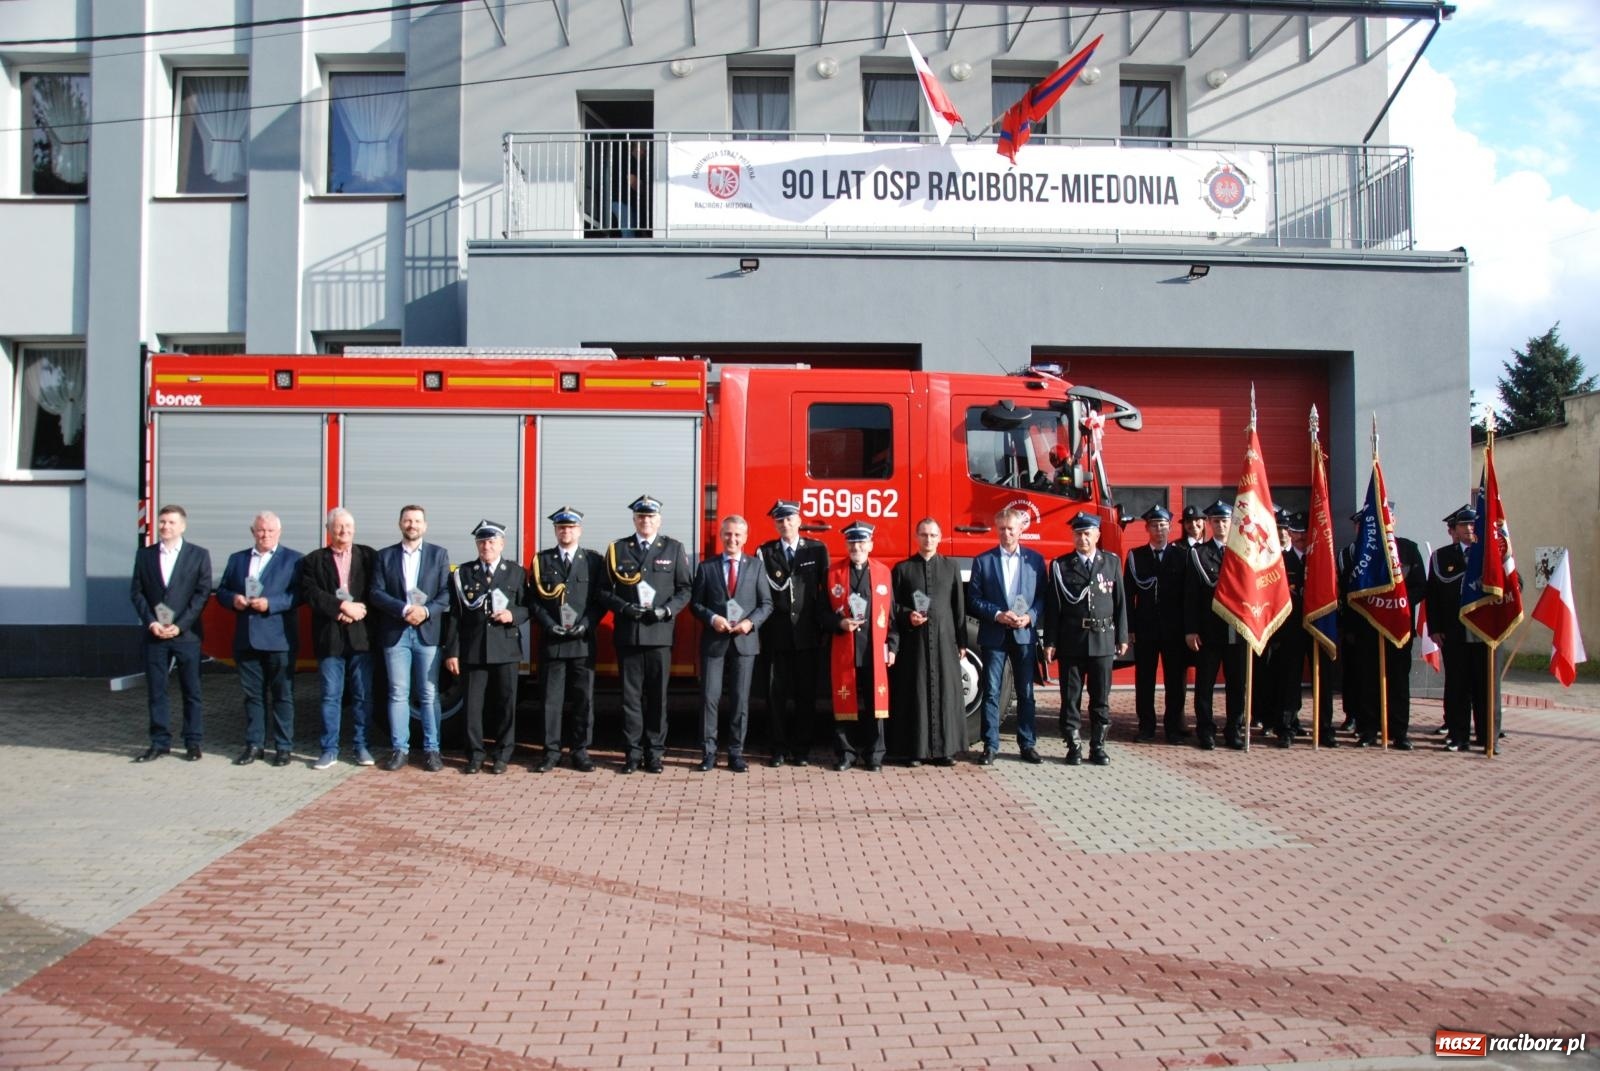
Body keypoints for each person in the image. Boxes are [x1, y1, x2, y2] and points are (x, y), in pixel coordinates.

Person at [602, 494, 693, 773]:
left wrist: (667, 611)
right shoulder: (618, 549)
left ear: (659, 520)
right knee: (630, 698)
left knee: (657, 698)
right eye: (641, 517)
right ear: (634, 520)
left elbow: (685, 589)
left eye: (651, 517)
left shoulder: (673, 549)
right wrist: (624, 608)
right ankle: (631, 753)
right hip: (629, 633)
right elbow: (604, 591)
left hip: (659, 635)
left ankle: (654, 753)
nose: (646, 521)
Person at [216, 511, 303, 767]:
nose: (265, 535)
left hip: (279, 639)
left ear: (279, 532)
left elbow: (299, 595)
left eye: (270, 531)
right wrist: (233, 600)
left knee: (282, 695)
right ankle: (254, 745)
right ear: (253, 531)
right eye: (260, 530)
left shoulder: (294, 560)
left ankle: (284, 747)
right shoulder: (237, 559)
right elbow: (222, 590)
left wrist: (271, 604)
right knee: (253, 696)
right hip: (247, 639)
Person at [370, 505, 452, 772]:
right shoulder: (385, 556)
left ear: (424, 526)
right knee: (397, 694)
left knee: (429, 694)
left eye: (417, 521)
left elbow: (445, 594)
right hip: (396, 633)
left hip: (426, 632)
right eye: (407, 520)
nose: (412, 524)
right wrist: (404, 609)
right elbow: (376, 593)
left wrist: (425, 611)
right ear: (400, 524)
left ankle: (432, 751)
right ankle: (400, 750)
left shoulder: (438, 555)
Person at [445, 520, 530, 775]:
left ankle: (503, 755)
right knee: (473, 707)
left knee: (506, 704)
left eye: (492, 541)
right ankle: (474, 755)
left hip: (505, 649)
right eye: (482, 541)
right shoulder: (463, 573)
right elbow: (454, 616)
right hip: (474, 649)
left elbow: (528, 608)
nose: (487, 546)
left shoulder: (516, 572)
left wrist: (512, 615)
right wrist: (452, 651)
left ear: (502, 544)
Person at [691, 515, 774, 772]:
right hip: (714, 641)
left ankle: (736, 753)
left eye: (738, 535)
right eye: (727, 534)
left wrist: (750, 623)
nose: (732, 539)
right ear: (721, 536)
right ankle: (709, 753)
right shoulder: (707, 567)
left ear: (745, 538)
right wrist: (712, 618)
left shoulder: (756, 567)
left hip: (744, 642)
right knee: (709, 698)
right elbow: (695, 604)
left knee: (740, 699)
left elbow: (766, 604)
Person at [129, 504, 212, 762]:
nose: (165, 526)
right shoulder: (145, 556)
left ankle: (193, 742)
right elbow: (137, 592)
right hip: (155, 635)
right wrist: (151, 622)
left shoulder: (198, 555)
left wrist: (181, 624)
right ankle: (159, 742)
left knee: (191, 690)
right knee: (157, 690)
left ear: (182, 526)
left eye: (171, 522)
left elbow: (202, 594)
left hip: (186, 635)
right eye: (162, 522)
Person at [526, 506, 606, 772]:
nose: (566, 531)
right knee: (551, 699)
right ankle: (551, 751)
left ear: (579, 530)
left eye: (570, 527)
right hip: (553, 641)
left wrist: (586, 624)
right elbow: (534, 601)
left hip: (582, 641)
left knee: (584, 699)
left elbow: (600, 599)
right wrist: (548, 625)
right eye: (561, 527)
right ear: (555, 531)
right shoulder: (542, 561)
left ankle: (580, 750)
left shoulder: (593, 561)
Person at [1045, 513, 1128, 765]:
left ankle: (1098, 746)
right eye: (1078, 533)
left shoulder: (1111, 563)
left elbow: (1120, 602)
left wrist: (1122, 635)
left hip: (1103, 640)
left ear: (1097, 535)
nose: (1083, 538)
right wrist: (1050, 641)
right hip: (1072, 641)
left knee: (1100, 697)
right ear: (1073, 536)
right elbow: (1053, 609)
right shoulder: (1061, 566)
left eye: (1087, 533)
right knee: (1071, 698)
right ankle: (1073, 746)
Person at [299, 508, 378, 770]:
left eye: (347, 526)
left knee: (362, 695)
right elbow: (311, 593)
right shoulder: (313, 560)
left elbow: (377, 589)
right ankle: (329, 749)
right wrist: (341, 608)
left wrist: (359, 609)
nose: (343, 531)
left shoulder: (368, 556)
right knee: (330, 696)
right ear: (328, 530)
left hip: (361, 637)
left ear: (354, 529)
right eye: (338, 527)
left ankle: (361, 746)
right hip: (329, 638)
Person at [966, 507, 1045, 764]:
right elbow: (974, 599)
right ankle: (990, 745)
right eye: (1002, 529)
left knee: (1025, 691)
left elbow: (1043, 597)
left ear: (1021, 529)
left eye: (1011, 529)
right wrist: (997, 614)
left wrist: (1030, 616)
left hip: (1023, 633)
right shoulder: (983, 561)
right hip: (994, 634)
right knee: (991, 691)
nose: (1007, 533)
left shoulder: (1035, 560)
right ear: (996, 529)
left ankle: (1027, 744)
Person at [755, 499, 830, 767]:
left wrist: (825, 627)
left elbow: (825, 594)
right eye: (779, 520)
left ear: (799, 520)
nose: (785, 524)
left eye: (789, 519)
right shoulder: (765, 552)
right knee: (776, 695)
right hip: (776, 635)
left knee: (805, 695)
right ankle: (777, 748)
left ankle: (801, 749)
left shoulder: (817, 550)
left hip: (807, 635)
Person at [889, 518, 967, 767]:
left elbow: (959, 608)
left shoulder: (951, 566)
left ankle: (946, 750)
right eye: (923, 535)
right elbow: (893, 607)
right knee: (916, 693)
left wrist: (962, 641)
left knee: (945, 693)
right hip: (915, 643)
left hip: (944, 641)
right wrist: (906, 615)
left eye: (933, 535)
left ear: (940, 537)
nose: (928, 539)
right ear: (916, 537)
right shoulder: (903, 569)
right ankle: (916, 750)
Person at [826, 521, 895, 771]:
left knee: (875, 706)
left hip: (873, 651)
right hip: (845, 648)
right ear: (846, 544)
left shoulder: (883, 573)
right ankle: (846, 753)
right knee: (845, 702)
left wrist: (893, 647)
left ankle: (875, 755)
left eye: (861, 542)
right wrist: (839, 622)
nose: (857, 546)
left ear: (870, 545)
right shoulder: (833, 573)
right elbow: (821, 613)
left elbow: (892, 616)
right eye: (853, 542)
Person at [1184, 500, 1246, 750]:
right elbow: (1190, 597)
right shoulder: (1199, 554)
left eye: (1225, 520)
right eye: (1216, 521)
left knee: (1237, 684)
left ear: (1232, 523)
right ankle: (1206, 730)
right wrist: (1190, 629)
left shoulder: (1243, 553)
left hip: (1239, 631)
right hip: (1209, 631)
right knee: (1205, 684)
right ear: (1209, 524)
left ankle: (1234, 729)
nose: (1221, 525)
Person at [1123, 505, 1187, 743]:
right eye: (1154, 526)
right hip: (1145, 629)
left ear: (1169, 528)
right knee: (1145, 679)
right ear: (1147, 528)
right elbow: (1128, 595)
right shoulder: (1136, 556)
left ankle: (1172, 728)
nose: (1159, 530)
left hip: (1174, 629)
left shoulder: (1181, 556)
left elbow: (1188, 597)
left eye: (1163, 526)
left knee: (1174, 681)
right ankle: (1146, 726)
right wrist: (1128, 629)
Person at [1428, 506, 1489, 753]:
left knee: (1484, 686)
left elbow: (1515, 582)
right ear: (1456, 529)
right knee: (1457, 685)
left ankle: (1487, 736)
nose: (1469, 529)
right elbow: (1433, 595)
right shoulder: (1442, 556)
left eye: (1473, 525)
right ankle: (1457, 734)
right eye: (1464, 525)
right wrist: (1435, 628)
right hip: (1453, 632)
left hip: (1485, 633)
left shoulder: (1491, 555)